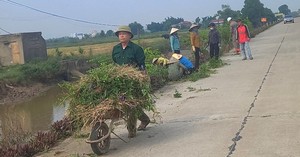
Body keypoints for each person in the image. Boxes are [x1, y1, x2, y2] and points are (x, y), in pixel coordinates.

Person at [112, 25, 150, 138]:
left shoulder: (136, 49)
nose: (121, 35)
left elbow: (142, 65)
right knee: (123, 102)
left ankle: (131, 130)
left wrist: (143, 78)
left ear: (129, 36)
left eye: (124, 33)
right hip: (120, 80)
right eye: (120, 34)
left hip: (133, 80)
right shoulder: (116, 49)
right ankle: (145, 119)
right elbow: (115, 63)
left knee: (130, 104)